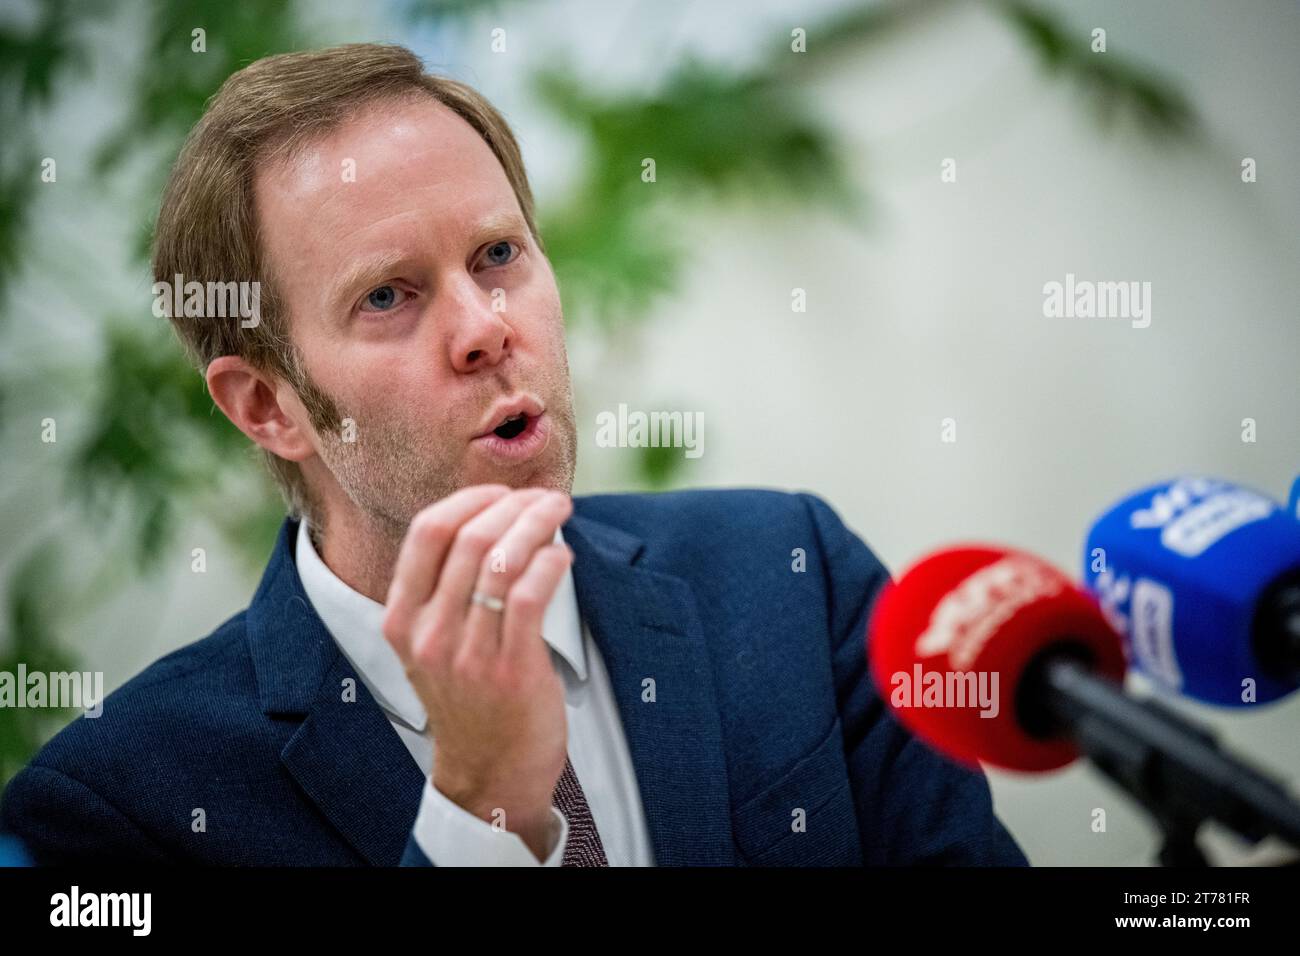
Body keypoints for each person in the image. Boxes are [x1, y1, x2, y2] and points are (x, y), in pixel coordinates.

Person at [0, 43, 1026, 867]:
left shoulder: (789, 577)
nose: (485, 327)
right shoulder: (119, 808)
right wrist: (477, 812)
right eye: (388, 295)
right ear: (268, 404)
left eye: (498, 255)